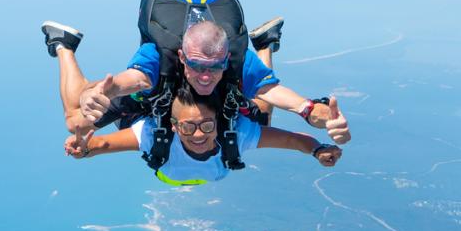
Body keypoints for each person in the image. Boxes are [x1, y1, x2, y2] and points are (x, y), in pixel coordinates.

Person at [42, 17, 351, 146]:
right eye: (196, 66)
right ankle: (64, 44)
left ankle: (264, 44)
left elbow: (277, 93)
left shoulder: (237, 60)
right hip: (149, 99)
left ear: (225, 58)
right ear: (181, 56)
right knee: (77, 124)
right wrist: (99, 93)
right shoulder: (158, 57)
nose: (205, 76)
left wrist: (314, 112)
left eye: (215, 67)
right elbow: (133, 80)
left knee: (263, 113)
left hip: (210, 101)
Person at [61, 77, 343, 186]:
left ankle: (264, 50)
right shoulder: (153, 134)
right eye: (188, 127)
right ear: (174, 126)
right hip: (141, 110)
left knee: (256, 115)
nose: (198, 135)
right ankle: (64, 46)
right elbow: (96, 145)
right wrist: (82, 145)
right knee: (76, 119)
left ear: (218, 124)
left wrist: (317, 149)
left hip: (163, 119)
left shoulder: (235, 134)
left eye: (207, 126)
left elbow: (294, 140)